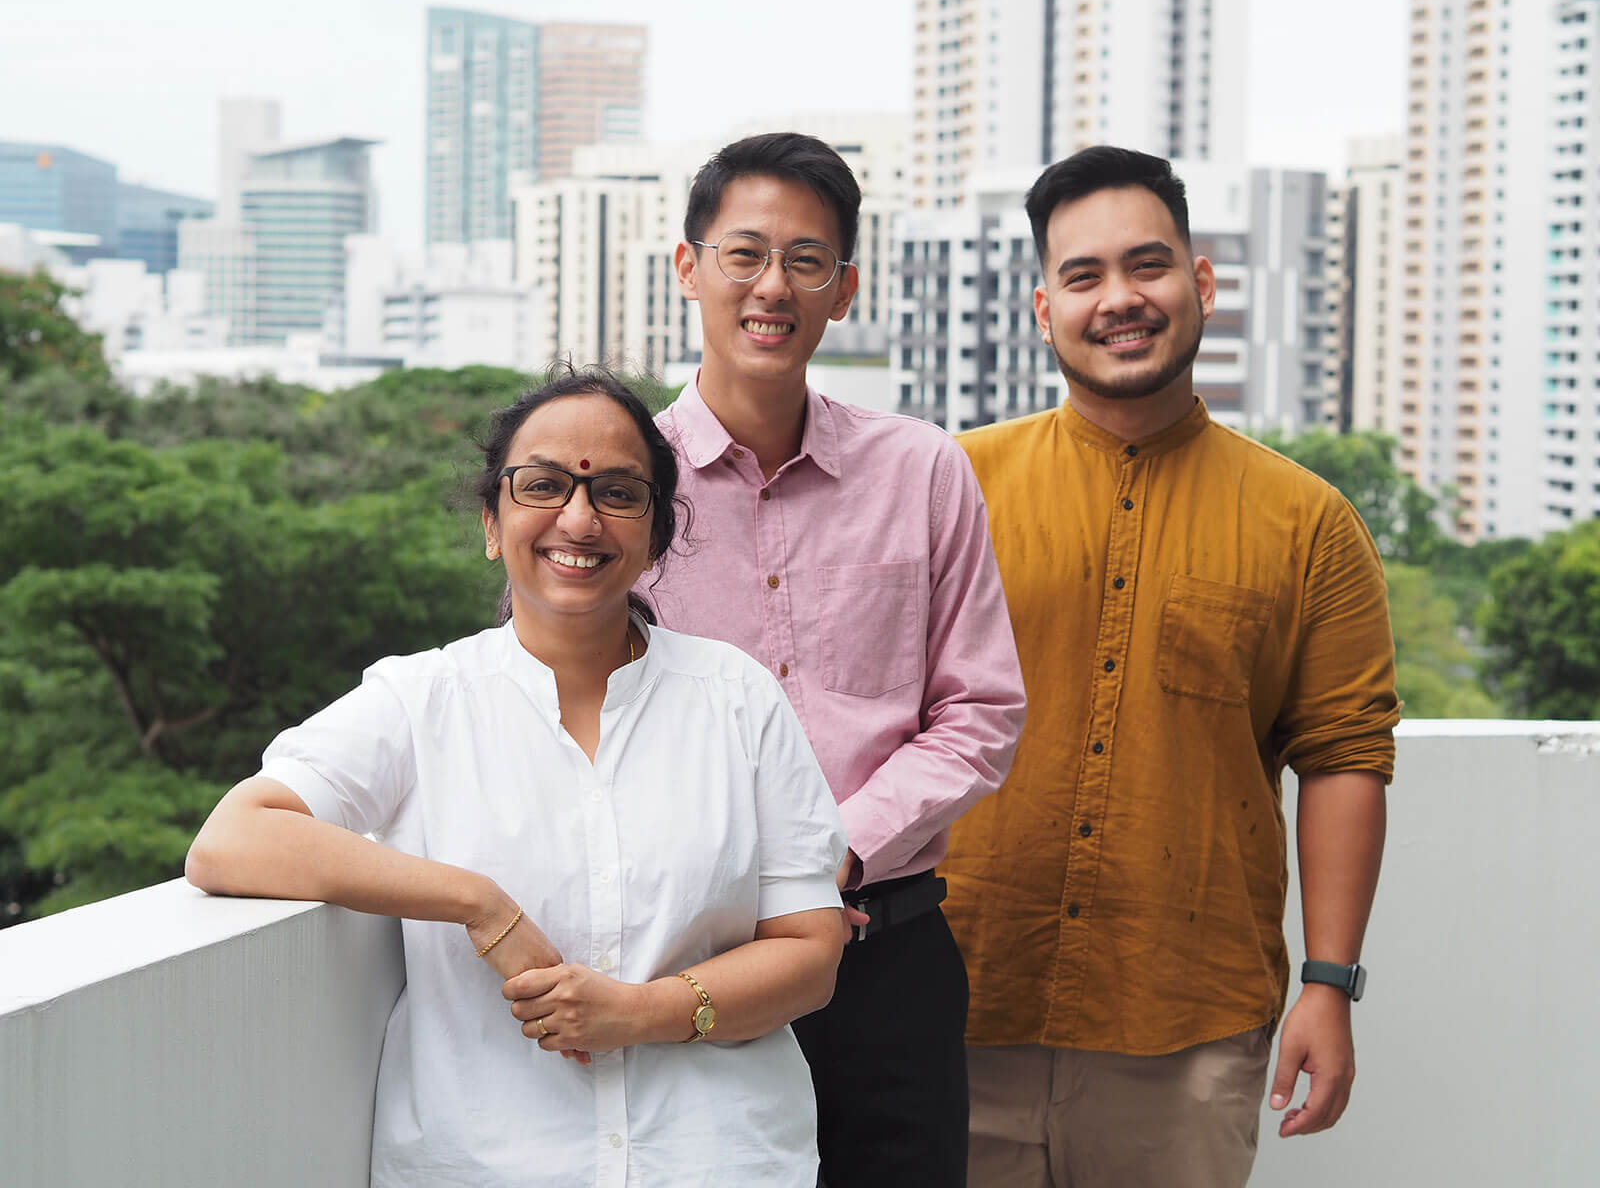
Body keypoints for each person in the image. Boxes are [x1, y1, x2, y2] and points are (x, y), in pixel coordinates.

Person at [185, 369, 850, 1187]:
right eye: (541, 485)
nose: (578, 517)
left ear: (655, 536)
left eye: (615, 490)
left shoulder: (736, 697)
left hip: (715, 1159)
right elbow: (233, 839)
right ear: (493, 524)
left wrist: (641, 1013)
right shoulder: (423, 699)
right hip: (486, 1163)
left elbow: (810, 953)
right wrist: (478, 903)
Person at [944, 145, 1400, 1188]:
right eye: (1082, 275)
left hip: (1186, 1029)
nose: (1119, 299)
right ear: (1041, 306)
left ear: (1200, 282)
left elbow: (1342, 761)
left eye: (1146, 266)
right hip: (955, 1011)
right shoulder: (951, 488)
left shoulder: (1308, 524)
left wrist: (1328, 984)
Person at [644, 132, 1027, 1188]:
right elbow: (565, 705)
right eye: (745, 254)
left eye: (807, 261)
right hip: (693, 957)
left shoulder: (920, 470)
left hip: (889, 962)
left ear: (844, 289)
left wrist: (833, 854)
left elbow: (982, 709)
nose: (774, 286)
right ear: (688, 268)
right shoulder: (622, 482)